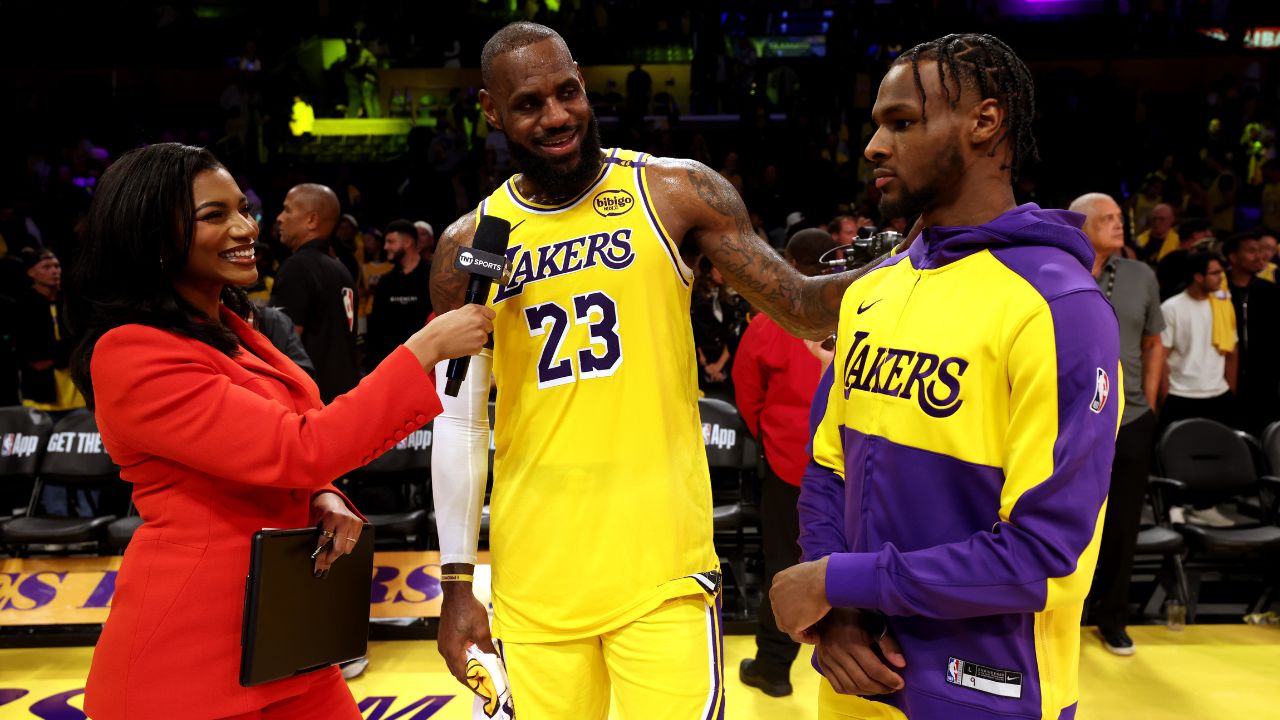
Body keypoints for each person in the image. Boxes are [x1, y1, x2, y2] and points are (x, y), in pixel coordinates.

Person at [427, 22, 888, 719]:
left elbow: (798, 305)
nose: (556, 116)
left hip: (663, 571)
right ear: (490, 111)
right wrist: (458, 583)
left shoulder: (673, 192)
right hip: (534, 580)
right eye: (528, 104)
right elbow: (460, 423)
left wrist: (915, 261)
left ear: (583, 81)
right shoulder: (470, 245)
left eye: (567, 92)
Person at [68, 143, 493, 720]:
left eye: (244, 209)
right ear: (149, 234)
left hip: (288, 635)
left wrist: (321, 494)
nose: (246, 227)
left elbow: (280, 445)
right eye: (214, 216)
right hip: (188, 659)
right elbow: (300, 446)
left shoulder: (234, 329)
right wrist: (422, 349)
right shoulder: (130, 351)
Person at [769, 34, 1120, 720]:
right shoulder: (876, 290)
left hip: (988, 693)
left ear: (986, 123)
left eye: (902, 123)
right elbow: (827, 470)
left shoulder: (1058, 306)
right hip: (854, 674)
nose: (873, 145)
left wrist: (840, 580)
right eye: (878, 124)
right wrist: (840, 614)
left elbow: (1043, 554)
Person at [733, 228, 838, 697]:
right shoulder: (858, 311)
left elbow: (746, 392)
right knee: (841, 560)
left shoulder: (769, 322)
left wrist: (770, 438)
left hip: (788, 462)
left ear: (787, 261)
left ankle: (774, 668)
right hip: (846, 465)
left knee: (784, 564)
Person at [1071, 192, 1165, 656]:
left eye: (1119, 217)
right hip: (1068, 419)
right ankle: (1060, 616)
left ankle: (1112, 616)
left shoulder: (1141, 275)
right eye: (1105, 218)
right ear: (1079, 225)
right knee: (1064, 518)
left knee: (1124, 524)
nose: (1118, 224)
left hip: (1129, 418)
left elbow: (1154, 342)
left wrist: (1147, 401)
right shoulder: (1055, 270)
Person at [1158, 251, 1238, 527]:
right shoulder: (1172, 308)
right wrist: (1164, 394)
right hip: (1182, 393)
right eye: (1215, 273)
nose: (1221, 278)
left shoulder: (1223, 304)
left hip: (1217, 392)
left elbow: (1231, 351)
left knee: (1213, 453)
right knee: (1175, 454)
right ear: (1198, 276)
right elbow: (1162, 357)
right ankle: (1175, 507)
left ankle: (1207, 506)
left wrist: (1230, 386)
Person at [270, 184, 360, 403]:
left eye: (288, 210)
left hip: (312, 403)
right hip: (346, 398)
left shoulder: (296, 268)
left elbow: (280, 347)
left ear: (311, 220)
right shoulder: (342, 269)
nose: (280, 217)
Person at [1223, 232, 1280, 436]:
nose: (1259, 256)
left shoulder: (1270, 291)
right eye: (1251, 251)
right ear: (1233, 257)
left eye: (1260, 251)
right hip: (1226, 377)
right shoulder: (1220, 291)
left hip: (1265, 380)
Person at [366, 219, 433, 369]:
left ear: (408, 242)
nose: (385, 247)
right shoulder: (385, 282)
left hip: (426, 365)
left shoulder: (432, 278)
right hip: (391, 365)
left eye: (391, 241)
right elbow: (376, 330)